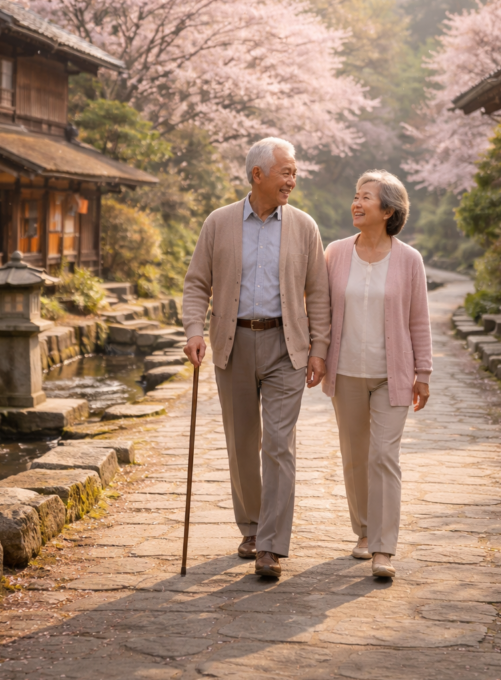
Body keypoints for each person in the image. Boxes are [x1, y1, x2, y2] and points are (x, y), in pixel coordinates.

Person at [183, 137, 331, 578]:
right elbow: (197, 283)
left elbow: (318, 293)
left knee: (279, 444)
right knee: (242, 442)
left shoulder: (304, 226)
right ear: (257, 175)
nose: (292, 180)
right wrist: (194, 331)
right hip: (234, 343)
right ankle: (250, 526)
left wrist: (319, 348)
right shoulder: (219, 222)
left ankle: (270, 545)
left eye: (294, 173)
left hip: (287, 346)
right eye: (286, 172)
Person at [322, 169, 431, 579]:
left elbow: (419, 320)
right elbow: (321, 310)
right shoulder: (335, 253)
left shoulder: (409, 259)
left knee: (384, 456)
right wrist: (316, 353)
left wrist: (423, 371)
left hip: (392, 375)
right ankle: (365, 532)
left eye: (366, 197)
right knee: (354, 456)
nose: (356, 202)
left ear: (387, 211)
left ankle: (383, 549)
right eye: (356, 195)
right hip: (346, 371)